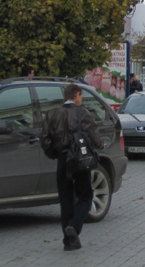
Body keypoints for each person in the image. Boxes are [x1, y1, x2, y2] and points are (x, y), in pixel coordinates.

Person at [40, 83, 104, 251]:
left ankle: (68, 242)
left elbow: (45, 140)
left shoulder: (52, 114)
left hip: (63, 160)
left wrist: (54, 154)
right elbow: (93, 133)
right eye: (81, 96)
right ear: (76, 95)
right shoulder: (82, 112)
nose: (81, 99)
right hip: (80, 160)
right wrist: (100, 146)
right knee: (85, 195)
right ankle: (74, 227)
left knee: (65, 200)